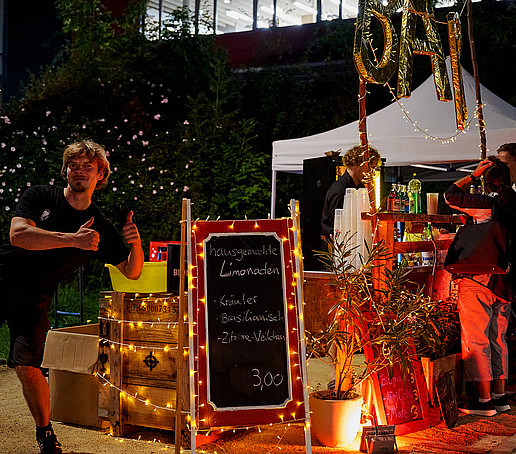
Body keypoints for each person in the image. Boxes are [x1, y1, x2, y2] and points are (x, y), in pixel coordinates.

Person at [0, 140, 144, 453]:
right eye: (73, 165)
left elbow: (132, 271)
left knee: (27, 367)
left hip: (35, 297)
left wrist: (135, 243)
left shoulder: (101, 226)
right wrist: (73, 240)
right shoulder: (39, 195)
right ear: (65, 170)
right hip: (1, 277)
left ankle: (45, 434)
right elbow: (18, 235)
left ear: (100, 175)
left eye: (87, 166)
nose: (78, 171)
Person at [444, 156, 516, 416]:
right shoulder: (513, 204)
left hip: (479, 278)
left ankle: (483, 402)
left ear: (487, 182)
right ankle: (500, 397)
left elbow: (450, 195)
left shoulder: (487, 205)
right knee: (499, 338)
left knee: (476, 339)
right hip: (505, 281)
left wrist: (472, 175)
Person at [321, 145, 380, 241]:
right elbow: (335, 227)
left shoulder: (361, 188)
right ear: (356, 164)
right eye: (370, 168)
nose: (371, 172)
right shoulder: (339, 190)